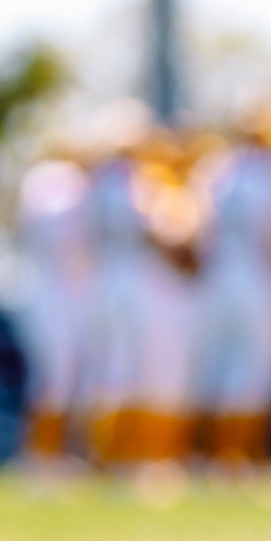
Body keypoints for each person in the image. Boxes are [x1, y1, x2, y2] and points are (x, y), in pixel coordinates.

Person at [82, 118, 201, 489]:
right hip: (139, 285)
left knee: (114, 373)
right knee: (146, 376)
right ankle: (140, 458)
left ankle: (109, 459)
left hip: (106, 281)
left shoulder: (99, 183)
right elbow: (159, 235)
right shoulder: (136, 182)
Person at [191, 102, 271, 477]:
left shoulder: (216, 169)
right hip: (259, 279)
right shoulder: (270, 171)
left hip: (218, 280)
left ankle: (217, 454)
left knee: (221, 368)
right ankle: (242, 455)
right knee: (256, 371)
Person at [11, 151, 91, 476]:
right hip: (47, 294)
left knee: (77, 380)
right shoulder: (54, 179)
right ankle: (40, 456)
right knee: (55, 378)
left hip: (74, 294)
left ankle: (63, 453)